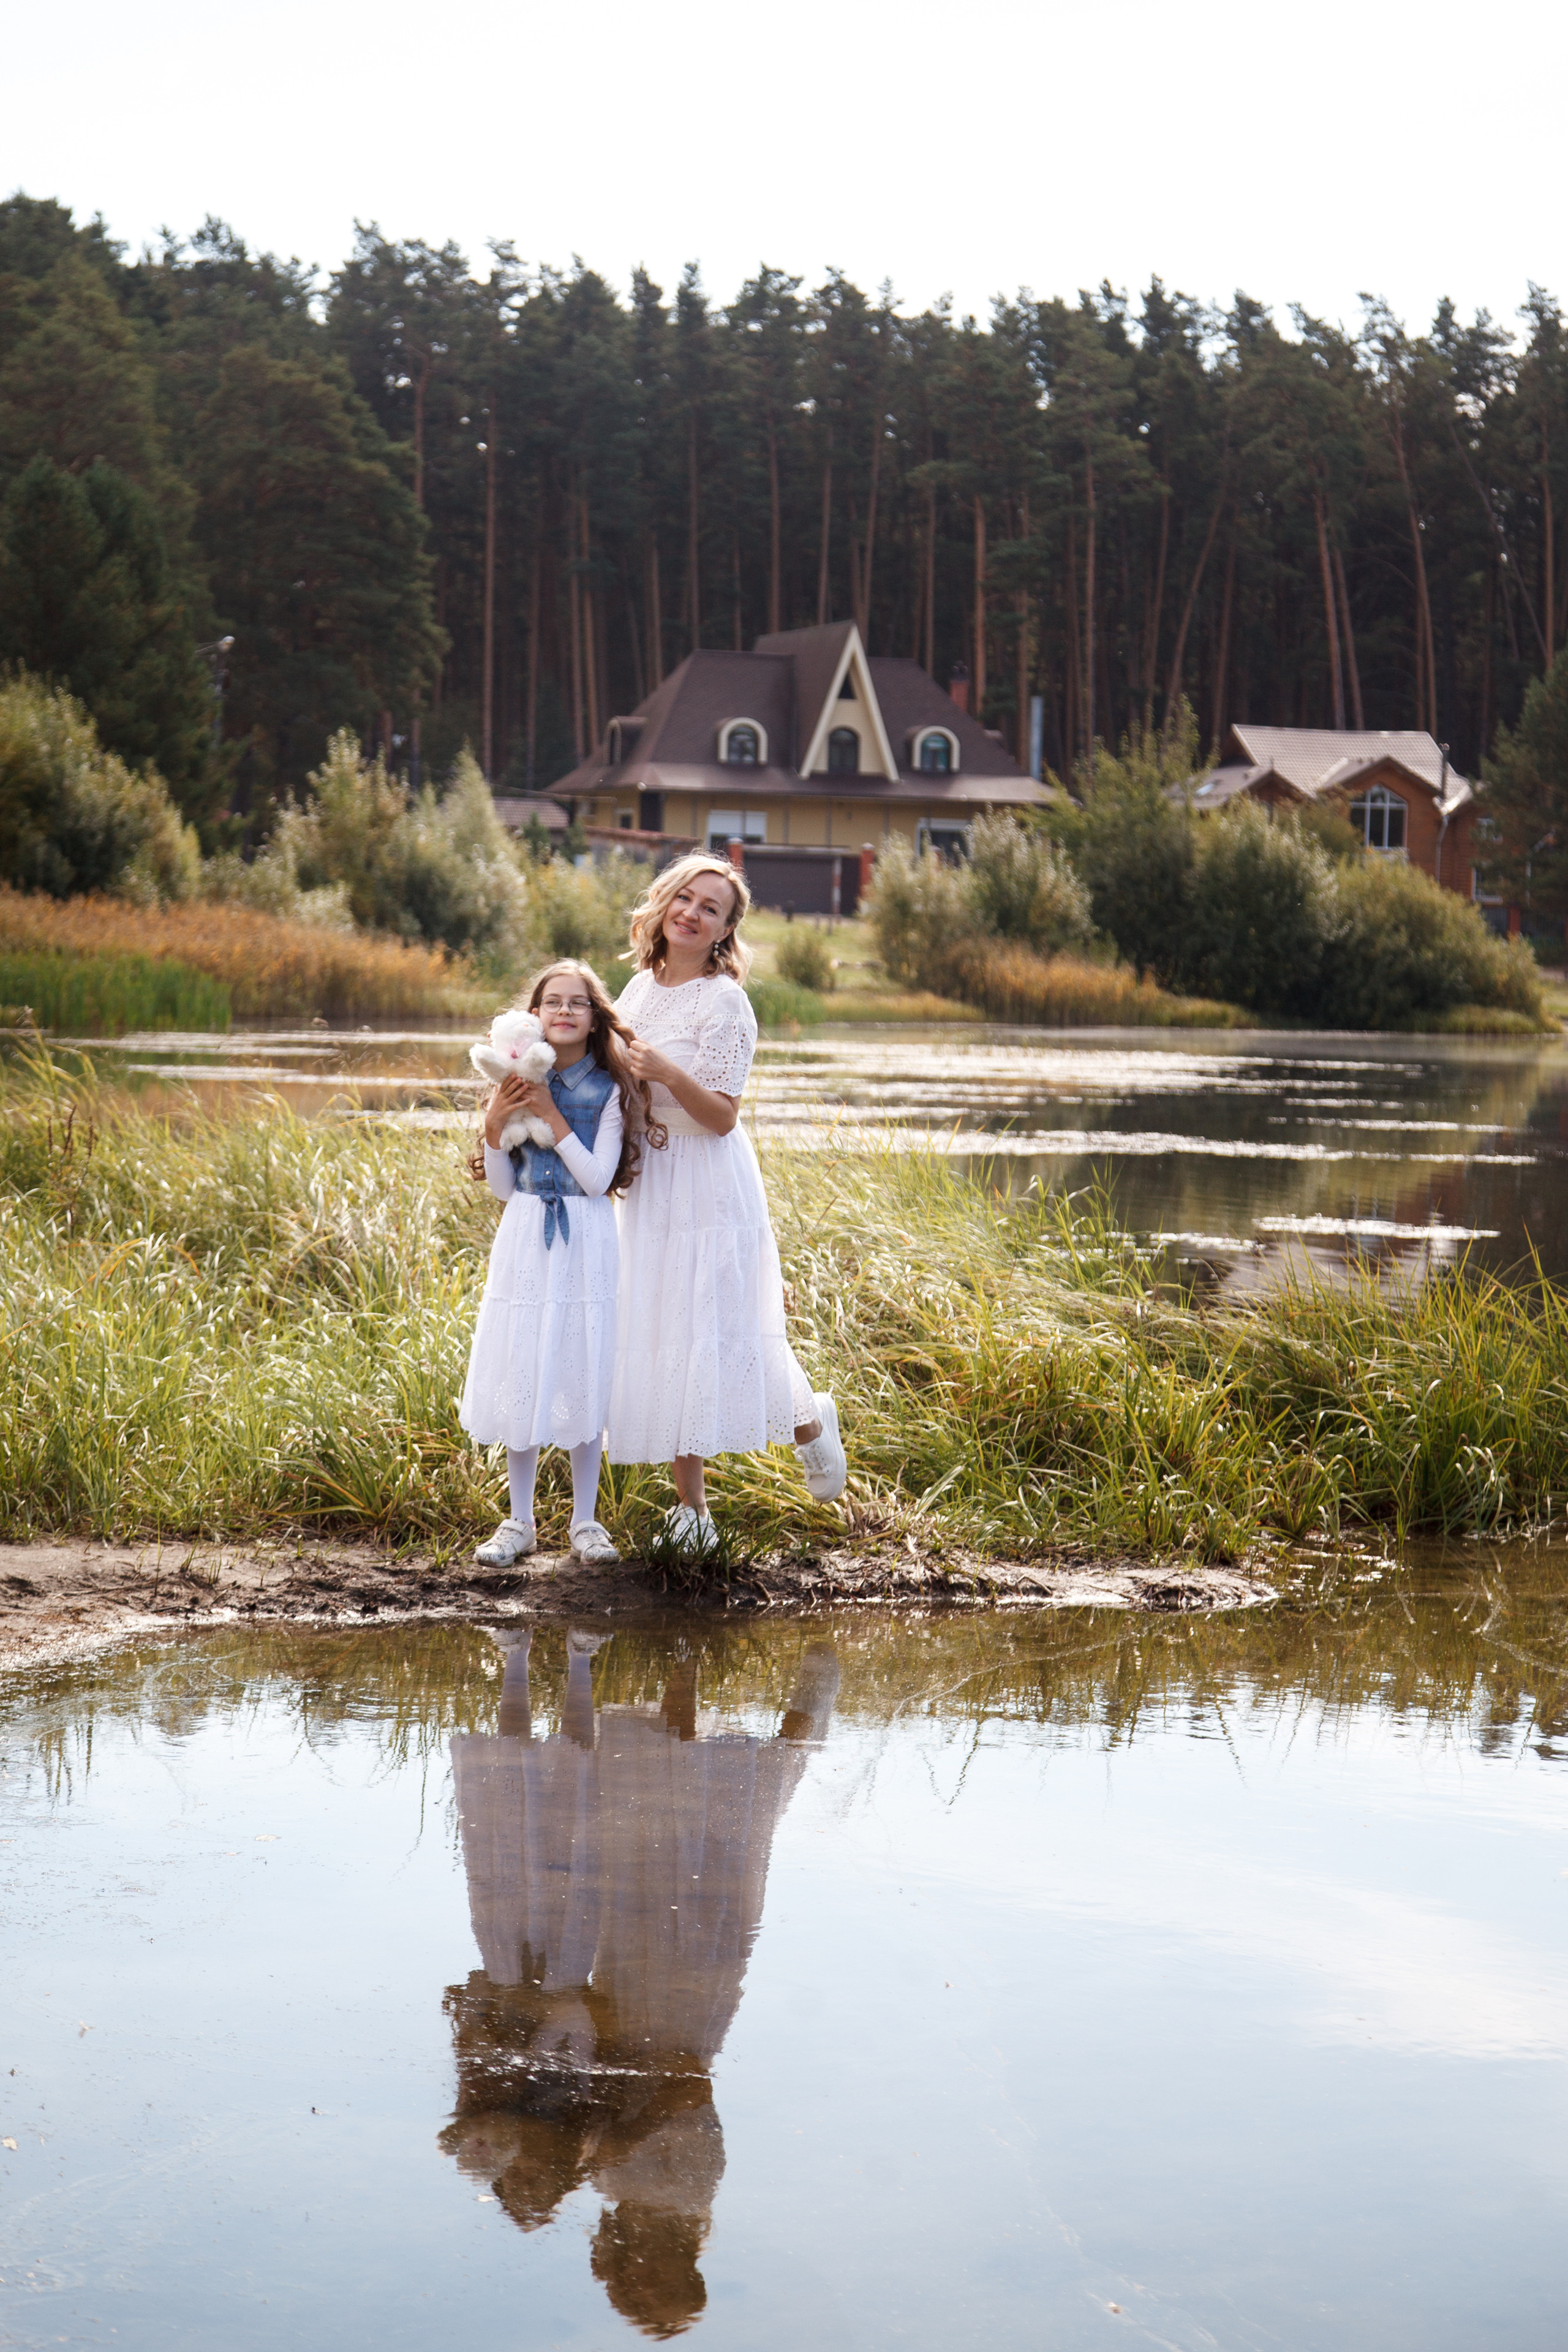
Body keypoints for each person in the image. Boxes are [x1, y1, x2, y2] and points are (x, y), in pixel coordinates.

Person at [606, 852, 847, 1555]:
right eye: (685, 897)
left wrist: (667, 1072)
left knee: (721, 1328)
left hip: (709, 1182)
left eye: (711, 908)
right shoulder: (636, 988)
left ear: (723, 931)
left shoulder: (725, 1002)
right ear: (662, 904)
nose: (693, 912)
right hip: (651, 1181)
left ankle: (809, 1424)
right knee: (666, 1332)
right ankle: (694, 1515)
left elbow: (720, 1117)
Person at [460, 959, 662, 1566]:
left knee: (583, 1360)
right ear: (536, 1014)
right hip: (525, 1230)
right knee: (522, 1360)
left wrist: (550, 1114)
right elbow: (501, 1188)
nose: (565, 1012)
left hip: (587, 1234)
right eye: (553, 1003)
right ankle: (518, 1521)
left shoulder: (606, 1089)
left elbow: (600, 1179)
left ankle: (585, 1520)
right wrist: (495, 1126)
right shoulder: (513, 1079)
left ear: (595, 1016)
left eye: (577, 1003)